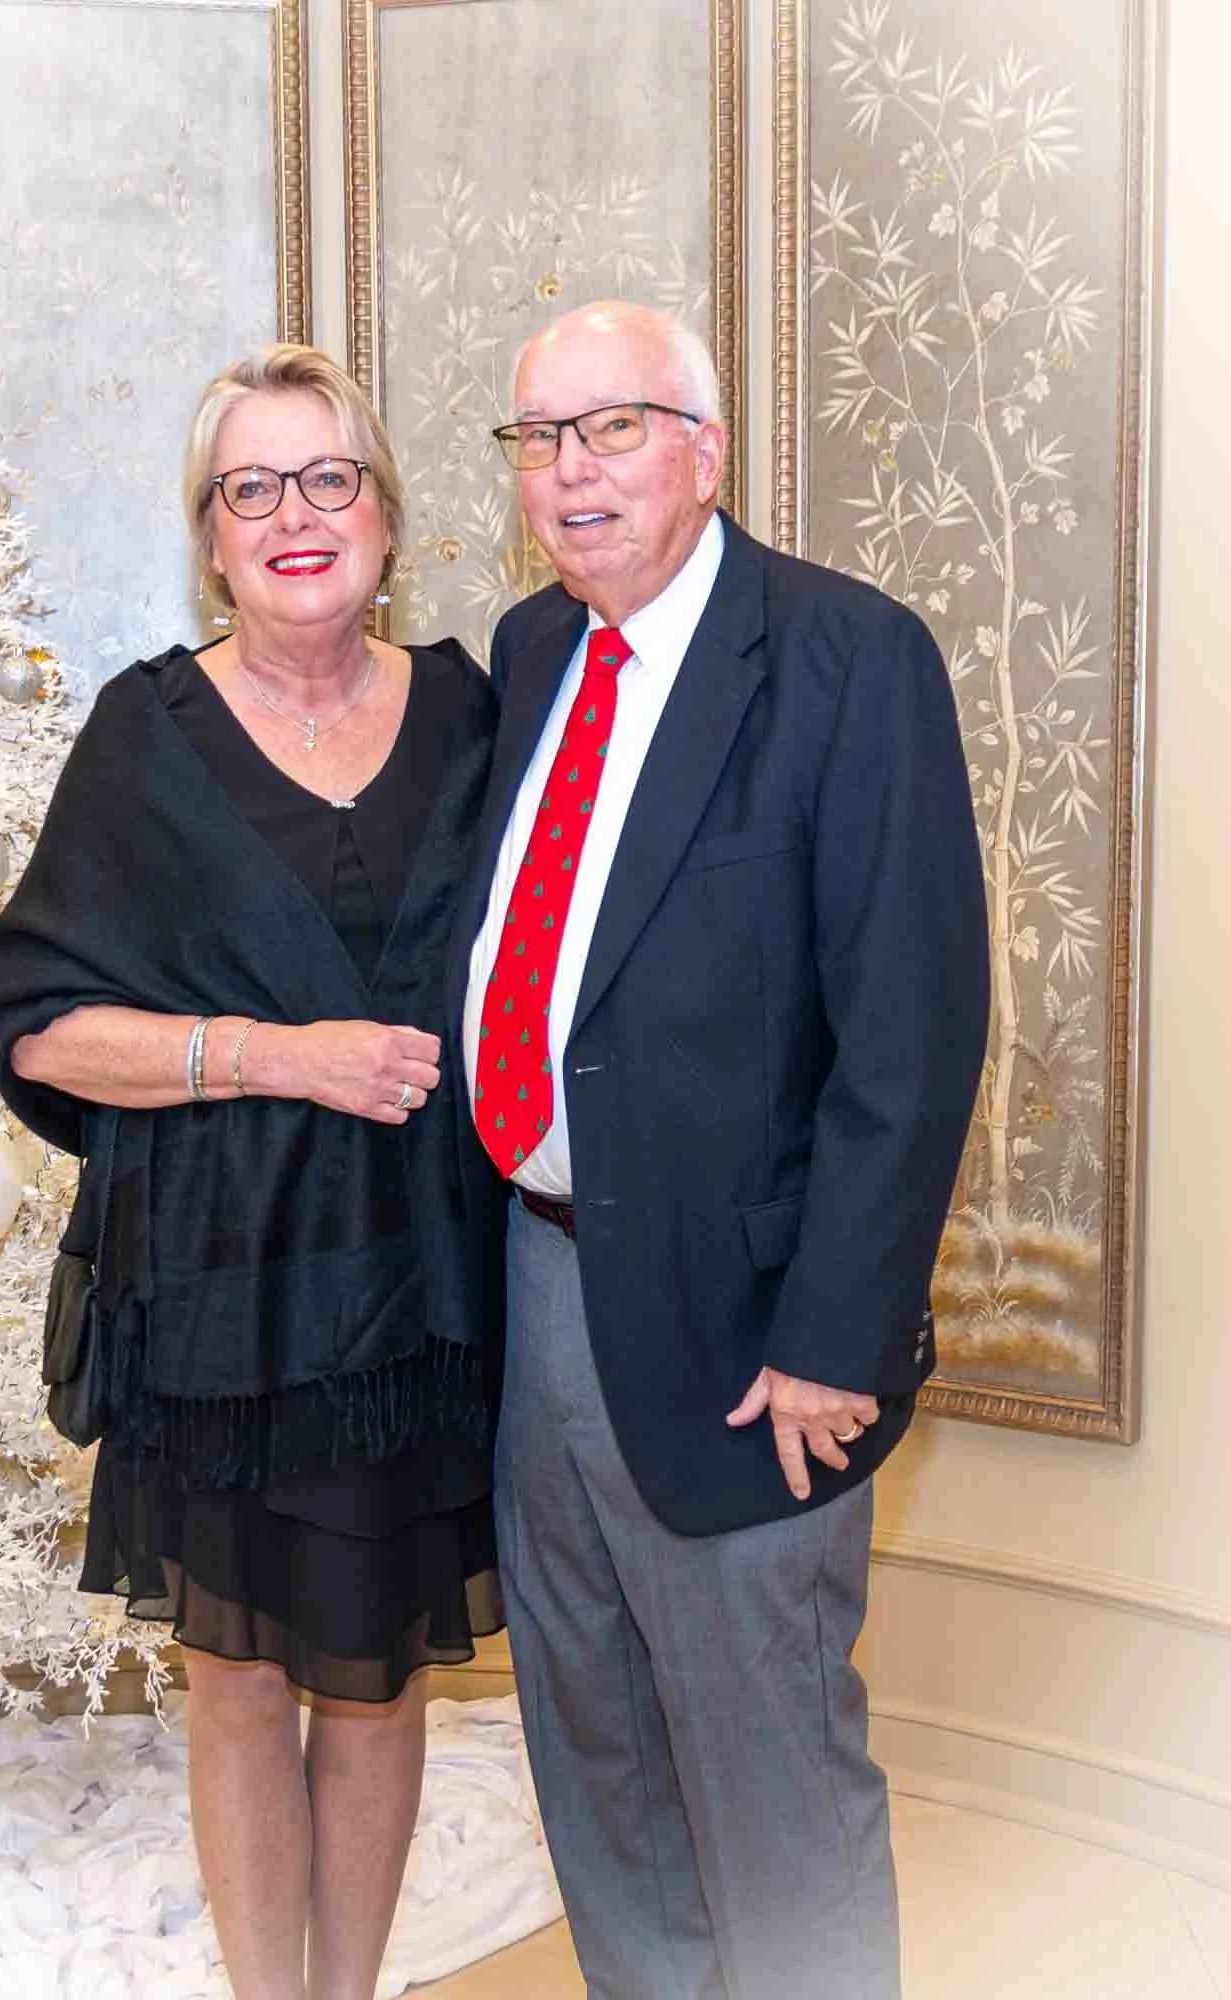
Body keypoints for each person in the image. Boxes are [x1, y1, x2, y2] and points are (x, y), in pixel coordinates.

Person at [450, 300, 990, 2000]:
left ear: (706, 448)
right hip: (540, 1277)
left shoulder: (844, 655)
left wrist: (838, 1334)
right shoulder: (534, 653)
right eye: (538, 439)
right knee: (595, 1749)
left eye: (610, 428)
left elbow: (910, 1028)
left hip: (754, 1329)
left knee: (771, 1784)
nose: (569, 471)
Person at [0, 345, 506, 2000]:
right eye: (252, 488)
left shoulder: (479, 710)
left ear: (384, 514)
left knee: (372, 1673)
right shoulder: (145, 734)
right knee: (237, 1677)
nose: (297, 516)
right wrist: (284, 1055)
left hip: (426, 1284)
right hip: (218, 1293)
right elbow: (46, 1030)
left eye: (329, 478)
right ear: (211, 536)